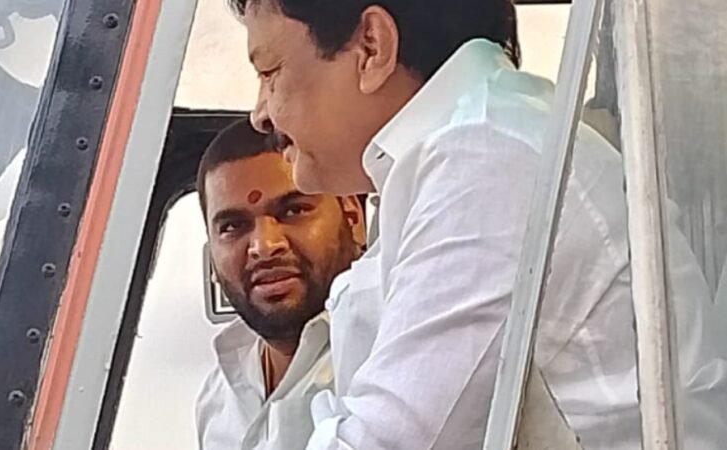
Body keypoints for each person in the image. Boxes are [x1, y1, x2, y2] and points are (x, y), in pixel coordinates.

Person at [229, 0, 643, 448]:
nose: (260, 114)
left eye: (270, 72)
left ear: (371, 46)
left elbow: (389, 439)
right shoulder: (471, 147)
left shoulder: (483, 159)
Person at [194, 119, 366, 450]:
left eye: (293, 210)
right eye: (232, 226)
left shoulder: (389, 354)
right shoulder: (218, 397)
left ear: (353, 217)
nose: (264, 246)